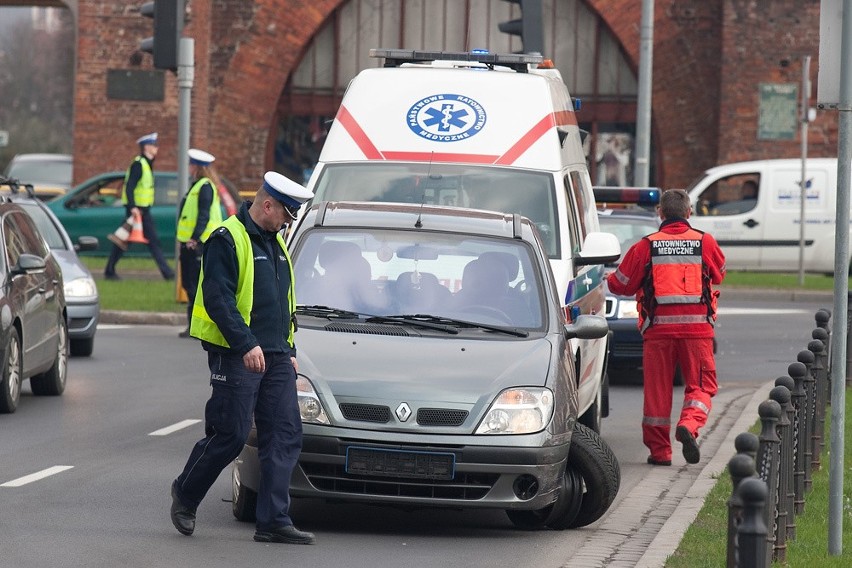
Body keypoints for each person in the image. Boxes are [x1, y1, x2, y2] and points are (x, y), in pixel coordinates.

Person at [169, 171, 316, 545]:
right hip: (238, 354)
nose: (288, 223)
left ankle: (273, 520)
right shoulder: (226, 239)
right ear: (267, 205)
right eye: (286, 214)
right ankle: (185, 494)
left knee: (283, 434)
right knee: (231, 434)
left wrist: (291, 350)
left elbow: (284, 306)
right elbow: (218, 299)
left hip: (278, 356)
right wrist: (246, 344)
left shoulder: (276, 243)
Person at [606, 188, 726, 467]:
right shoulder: (704, 242)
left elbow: (620, 285)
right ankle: (689, 423)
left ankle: (660, 453)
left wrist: (610, 275)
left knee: (657, 394)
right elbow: (719, 273)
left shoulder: (645, 246)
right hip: (697, 333)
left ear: (660, 213)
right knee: (701, 386)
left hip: (658, 332)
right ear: (689, 213)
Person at [104, 132, 175, 280]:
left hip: (142, 210)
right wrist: (132, 207)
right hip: (137, 211)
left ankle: (110, 270)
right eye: (154, 145)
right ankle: (168, 273)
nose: (157, 148)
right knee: (151, 241)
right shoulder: (139, 164)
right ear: (146, 147)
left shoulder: (147, 164)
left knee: (124, 239)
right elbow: (129, 186)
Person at [176, 148, 223, 337]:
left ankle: (197, 327)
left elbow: (203, 216)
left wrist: (194, 238)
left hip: (198, 244)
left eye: (190, 164)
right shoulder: (199, 186)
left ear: (196, 166)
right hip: (194, 243)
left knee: (195, 285)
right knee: (190, 284)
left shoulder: (204, 187)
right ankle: (194, 326)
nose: (188, 167)